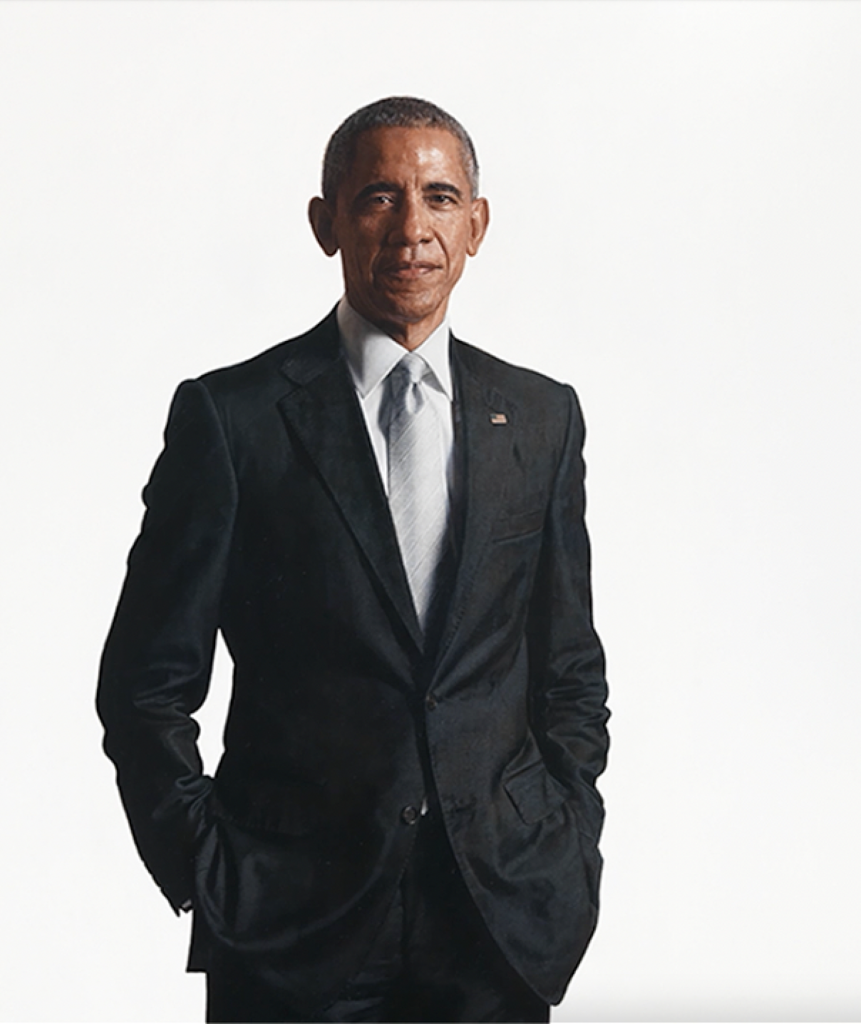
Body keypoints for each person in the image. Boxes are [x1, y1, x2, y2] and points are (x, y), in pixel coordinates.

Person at [97, 96, 609, 1023]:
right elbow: (143, 686)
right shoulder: (234, 419)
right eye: (378, 196)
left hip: (495, 915)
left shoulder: (541, 417)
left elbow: (568, 666)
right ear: (324, 221)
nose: (412, 228)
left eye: (440, 196)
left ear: (477, 224)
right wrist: (210, 871)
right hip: (293, 926)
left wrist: (565, 833)